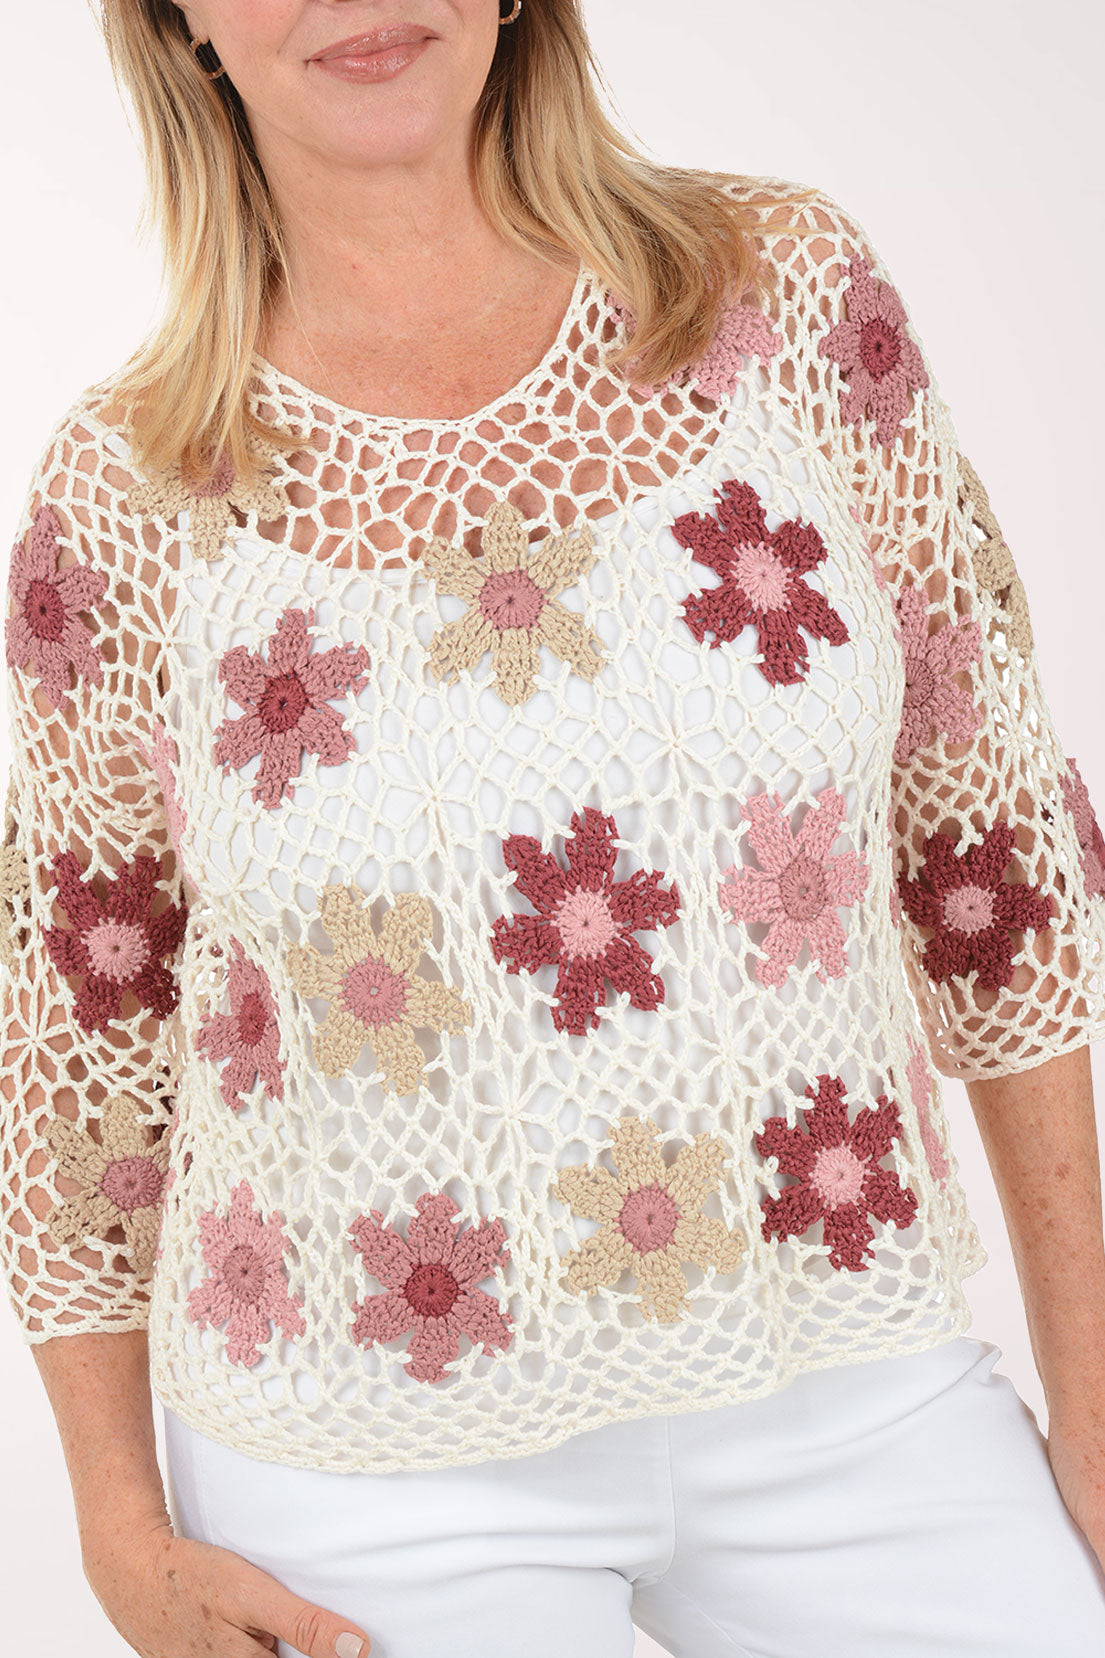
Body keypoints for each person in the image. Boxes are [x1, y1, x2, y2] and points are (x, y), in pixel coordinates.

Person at [3, 2, 1105, 1655]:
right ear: (179, 21)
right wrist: (114, 1526)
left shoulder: (783, 297)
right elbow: (77, 1036)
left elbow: (987, 838)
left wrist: (1091, 1390)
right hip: (364, 1451)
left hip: (849, 1364)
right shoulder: (128, 495)